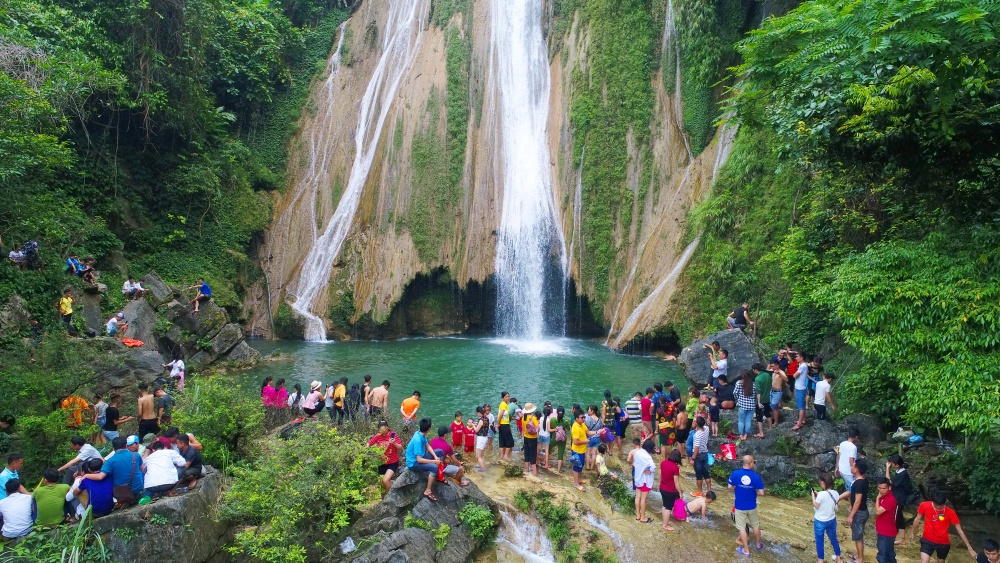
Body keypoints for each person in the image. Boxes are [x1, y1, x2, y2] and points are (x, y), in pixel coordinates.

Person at [911, 490, 977, 563]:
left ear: (945, 503)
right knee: (925, 561)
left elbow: (959, 530)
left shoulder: (950, 512)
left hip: (943, 542)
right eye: (936, 505)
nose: (939, 507)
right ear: (932, 501)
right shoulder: (924, 505)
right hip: (927, 539)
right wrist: (912, 532)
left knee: (941, 561)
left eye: (941, 505)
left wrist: (970, 548)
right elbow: (917, 519)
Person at [81, 436, 144, 504]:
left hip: (122, 493)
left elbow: (100, 477)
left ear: (113, 448)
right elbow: (142, 470)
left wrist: (86, 475)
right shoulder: (136, 455)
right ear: (126, 445)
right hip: (138, 488)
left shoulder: (110, 461)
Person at [729, 455, 765, 557]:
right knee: (755, 525)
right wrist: (753, 490)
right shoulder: (756, 477)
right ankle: (758, 545)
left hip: (740, 506)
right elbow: (762, 493)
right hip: (752, 506)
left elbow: (730, 486)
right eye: (753, 462)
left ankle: (746, 550)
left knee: (741, 528)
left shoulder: (735, 474)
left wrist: (739, 488)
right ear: (749, 463)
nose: (754, 464)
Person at [840, 457, 870, 563]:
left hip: (859, 513)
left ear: (856, 469)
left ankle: (860, 559)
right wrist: (837, 498)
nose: (851, 467)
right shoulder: (862, 480)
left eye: (853, 465)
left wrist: (851, 516)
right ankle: (858, 555)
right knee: (859, 535)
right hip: (863, 511)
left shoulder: (858, 483)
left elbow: (857, 501)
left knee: (858, 536)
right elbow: (851, 492)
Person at [405, 418, 441, 502]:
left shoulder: (420, 434)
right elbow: (419, 460)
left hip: (422, 456)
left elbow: (427, 446)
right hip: (413, 463)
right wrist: (434, 462)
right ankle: (428, 491)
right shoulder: (417, 439)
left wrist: (435, 456)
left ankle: (439, 475)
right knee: (434, 467)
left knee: (439, 452)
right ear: (429, 429)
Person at [886, 454, 918, 545]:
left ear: (897, 465)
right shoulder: (900, 472)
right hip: (898, 497)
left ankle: (891, 538)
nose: (890, 464)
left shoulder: (902, 474)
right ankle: (902, 539)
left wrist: (887, 469)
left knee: (894, 519)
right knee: (900, 519)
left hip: (899, 500)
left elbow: (889, 481)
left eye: (892, 463)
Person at [813, 472, 844, 563]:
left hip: (820, 521)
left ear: (823, 482)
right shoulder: (836, 493)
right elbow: (829, 500)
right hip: (832, 520)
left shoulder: (821, 495)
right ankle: (838, 558)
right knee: (834, 538)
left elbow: (816, 505)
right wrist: (818, 494)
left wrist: (813, 496)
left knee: (819, 541)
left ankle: (820, 561)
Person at [367, 421, 403, 491]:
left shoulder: (393, 435)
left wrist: (394, 443)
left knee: (385, 480)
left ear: (387, 428)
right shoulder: (378, 436)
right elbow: (369, 443)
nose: (383, 432)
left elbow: (400, 447)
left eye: (384, 430)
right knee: (382, 482)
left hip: (392, 462)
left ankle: (391, 498)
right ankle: (384, 499)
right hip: (381, 462)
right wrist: (368, 449)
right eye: (381, 430)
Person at [875, 476, 898, 563]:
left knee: (882, 556)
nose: (881, 490)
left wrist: (877, 499)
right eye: (879, 488)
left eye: (884, 488)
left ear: (889, 488)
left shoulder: (890, 499)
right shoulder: (884, 496)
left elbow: (877, 512)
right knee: (889, 554)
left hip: (886, 532)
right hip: (885, 530)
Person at [632, 439, 656, 523]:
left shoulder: (637, 452)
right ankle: (643, 517)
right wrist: (650, 471)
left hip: (638, 478)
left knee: (638, 497)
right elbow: (653, 466)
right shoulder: (647, 457)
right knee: (644, 499)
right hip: (645, 480)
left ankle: (638, 515)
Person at [659, 449, 683, 531]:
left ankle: (664, 521)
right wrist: (680, 493)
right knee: (668, 508)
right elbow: (676, 481)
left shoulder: (663, 463)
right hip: (669, 490)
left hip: (662, 487)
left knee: (664, 505)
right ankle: (665, 525)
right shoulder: (675, 467)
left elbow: (661, 475)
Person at [691, 416, 712, 497]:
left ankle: (700, 492)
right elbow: (706, 424)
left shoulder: (697, 435)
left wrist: (693, 458)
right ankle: (709, 491)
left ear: (697, 423)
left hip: (698, 455)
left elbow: (696, 448)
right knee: (706, 472)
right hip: (705, 453)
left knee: (699, 475)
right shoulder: (706, 429)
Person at [734, 370, 756, 441]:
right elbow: (755, 394)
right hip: (751, 406)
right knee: (748, 421)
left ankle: (741, 435)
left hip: (742, 405)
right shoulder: (753, 384)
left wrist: (738, 399)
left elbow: (735, 393)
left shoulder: (739, 383)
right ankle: (746, 435)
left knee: (741, 421)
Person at [791, 353, 811, 430]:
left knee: (801, 406)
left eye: (797, 356)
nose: (796, 358)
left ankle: (799, 424)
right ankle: (803, 420)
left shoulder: (802, 366)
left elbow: (794, 376)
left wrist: (795, 373)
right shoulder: (803, 365)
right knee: (802, 404)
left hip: (800, 388)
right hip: (801, 386)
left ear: (801, 358)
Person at [570, 411, 588, 492]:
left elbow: (588, 432)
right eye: (582, 418)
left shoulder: (582, 424)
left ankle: (579, 479)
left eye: (584, 417)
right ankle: (576, 484)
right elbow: (575, 442)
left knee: (581, 465)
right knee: (576, 467)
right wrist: (585, 441)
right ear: (577, 418)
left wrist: (598, 432)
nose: (583, 419)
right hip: (577, 451)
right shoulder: (576, 427)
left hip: (582, 450)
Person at [752, 364, 771, 437]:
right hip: (767, 398)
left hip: (761, 399)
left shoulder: (757, 378)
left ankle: (761, 433)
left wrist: (759, 402)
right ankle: (770, 428)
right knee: (767, 413)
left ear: (755, 370)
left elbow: (758, 391)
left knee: (759, 416)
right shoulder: (767, 375)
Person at [550, 406, 570, 473]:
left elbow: (550, 427)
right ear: (563, 413)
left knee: (548, 449)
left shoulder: (552, 420)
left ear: (556, 412)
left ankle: (546, 462)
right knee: (560, 455)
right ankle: (558, 470)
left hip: (554, 438)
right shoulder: (566, 421)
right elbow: (568, 429)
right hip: (562, 439)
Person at [521, 403, 540, 476]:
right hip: (532, 438)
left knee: (527, 452)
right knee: (533, 454)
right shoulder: (533, 418)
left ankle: (526, 469)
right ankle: (535, 472)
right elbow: (537, 428)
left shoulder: (523, 418)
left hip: (526, 437)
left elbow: (523, 428)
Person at [496, 391, 515, 462]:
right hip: (503, 425)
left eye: (508, 396)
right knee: (510, 441)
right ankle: (505, 456)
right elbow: (500, 415)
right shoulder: (503, 404)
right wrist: (498, 423)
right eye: (506, 397)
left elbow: (504, 416)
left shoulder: (504, 404)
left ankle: (501, 456)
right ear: (503, 397)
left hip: (504, 424)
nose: (508, 398)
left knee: (502, 441)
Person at [769, 360, 788, 426]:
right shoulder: (773, 371)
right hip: (771, 391)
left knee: (774, 407)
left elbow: (786, 379)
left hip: (777, 392)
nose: (772, 367)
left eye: (773, 366)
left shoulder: (781, 372)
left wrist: (779, 374)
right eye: (771, 366)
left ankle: (776, 422)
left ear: (777, 366)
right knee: (771, 406)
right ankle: (772, 419)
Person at [472, 406, 490, 471]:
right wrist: (477, 424)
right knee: (482, 455)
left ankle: (483, 469)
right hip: (485, 438)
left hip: (481, 438)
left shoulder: (481, 420)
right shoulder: (486, 418)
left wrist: (473, 426)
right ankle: (483, 466)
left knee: (478, 456)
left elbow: (476, 430)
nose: (477, 414)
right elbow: (483, 427)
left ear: (479, 412)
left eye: (477, 413)